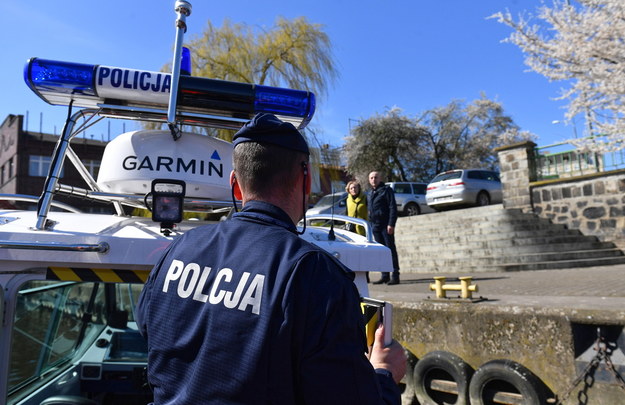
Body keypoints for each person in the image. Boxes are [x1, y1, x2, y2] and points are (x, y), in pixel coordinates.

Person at [136, 113, 406, 405]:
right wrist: (385, 373)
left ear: (235, 185)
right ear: (305, 181)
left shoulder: (179, 248)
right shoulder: (315, 275)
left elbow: (148, 327)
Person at [367, 171, 400, 285]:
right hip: (375, 226)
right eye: (371, 178)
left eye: (376, 177)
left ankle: (395, 275)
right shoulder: (370, 193)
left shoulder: (386, 190)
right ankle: (384, 275)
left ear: (380, 178)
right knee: (381, 252)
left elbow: (392, 208)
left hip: (385, 225)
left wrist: (391, 224)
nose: (373, 179)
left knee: (390, 250)